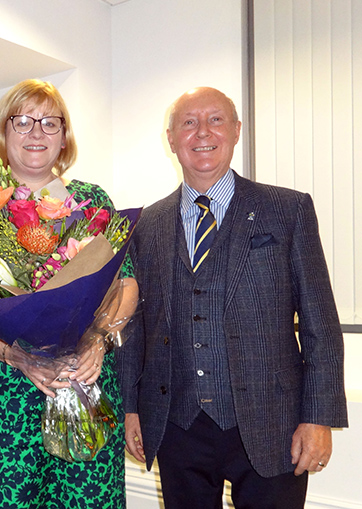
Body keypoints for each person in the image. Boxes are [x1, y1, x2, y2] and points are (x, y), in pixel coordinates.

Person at [117, 86, 348, 508]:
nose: (202, 131)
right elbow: (135, 327)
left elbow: (320, 323)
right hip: (177, 426)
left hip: (273, 423)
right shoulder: (145, 224)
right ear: (171, 138)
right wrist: (131, 406)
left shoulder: (287, 209)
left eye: (216, 119)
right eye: (188, 122)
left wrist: (318, 417)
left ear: (237, 130)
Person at [0, 79, 137, 508]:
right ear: (3, 133)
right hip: (6, 398)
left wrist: (97, 339)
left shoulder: (92, 201)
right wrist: (20, 356)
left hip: (85, 386)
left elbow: (126, 284)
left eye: (50, 122)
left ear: (64, 137)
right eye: (23, 120)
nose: (36, 132)